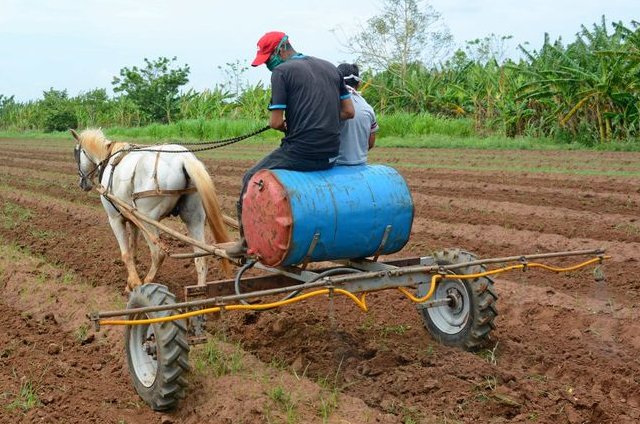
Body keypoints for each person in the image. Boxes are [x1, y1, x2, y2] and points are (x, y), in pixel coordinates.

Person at [225, 31, 355, 256]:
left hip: (301, 151)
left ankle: (245, 243)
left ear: (281, 49)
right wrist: (323, 118)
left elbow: (275, 122)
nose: (268, 64)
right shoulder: (329, 67)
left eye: (268, 59)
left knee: (249, 178)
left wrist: (293, 125)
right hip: (331, 151)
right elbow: (348, 112)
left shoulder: (282, 72)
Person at [335, 63, 379, 165]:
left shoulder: (331, 104)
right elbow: (371, 143)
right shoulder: (368, 108)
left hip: (335, 165)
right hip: (361, 164)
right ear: (358, 84)